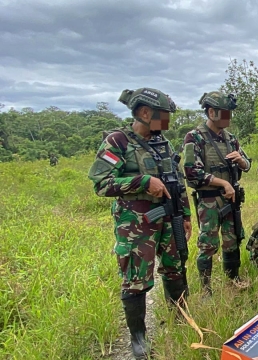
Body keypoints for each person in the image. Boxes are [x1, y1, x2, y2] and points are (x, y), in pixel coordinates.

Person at [88, 88, 191, 359]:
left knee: (176, 269)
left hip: (170, 217)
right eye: (163, 116)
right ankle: (138, 339)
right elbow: (101, 184)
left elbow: (177, 181)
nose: (167, 122)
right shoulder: (118, 141)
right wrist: (143, 181)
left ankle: (181, 322)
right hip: (136, 223)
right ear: (145, 113)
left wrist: (187, 216)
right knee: (136, 279)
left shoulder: (163, 142)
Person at [182, 91, 251, 293]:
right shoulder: (194, 137)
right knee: (208, 245)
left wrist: (241, 161)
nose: (228, 118)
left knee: (232, 241)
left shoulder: (231, 139)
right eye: (224, 113)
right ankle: (206, 289)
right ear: (211, 112)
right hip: (210, 201)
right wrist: (222, 183)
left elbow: (247, 165)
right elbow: (191, 172)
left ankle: (233, 280)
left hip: (231, 201)